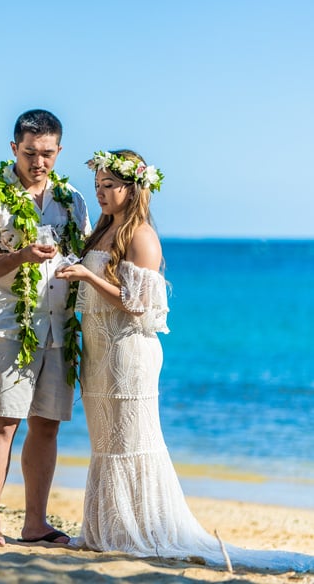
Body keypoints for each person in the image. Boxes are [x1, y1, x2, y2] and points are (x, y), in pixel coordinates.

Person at [55, 150, 313, 571]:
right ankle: (108, 531)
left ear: (132, 188)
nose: (100, 193)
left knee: (132, 442)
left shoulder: (141, 236)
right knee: (106, 443)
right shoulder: (103, 229)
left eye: (109, 186)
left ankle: (141, 530)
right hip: (98, 351)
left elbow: (137, 305)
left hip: (128, 352)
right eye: (97, 186)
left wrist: (87, 276)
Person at [0, 109, 90, 546]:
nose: (39, 162)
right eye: (31, 152)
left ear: (59, 151)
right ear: (14, 148)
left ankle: (35, 523)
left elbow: (88, 253)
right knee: (4, 422)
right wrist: (20, 257)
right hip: (7, 325)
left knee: (47, 425)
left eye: (48, 154)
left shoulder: (72, 200)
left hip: (60, 325)